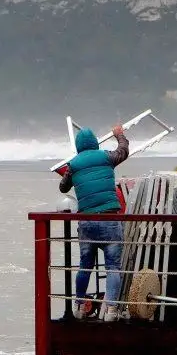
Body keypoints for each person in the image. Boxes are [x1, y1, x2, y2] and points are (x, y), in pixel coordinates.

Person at [58, 124, 129, 321]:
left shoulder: (74, 164)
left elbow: (63, 188)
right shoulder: (106, 157)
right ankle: (111, 311)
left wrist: (72, 170)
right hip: (109, 219)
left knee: (85, 265)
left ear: (79, 146)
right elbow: (123, 152)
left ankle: (79, 307)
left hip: (87, 222)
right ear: (95, 143)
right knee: (113, 266)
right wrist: (119, 135)